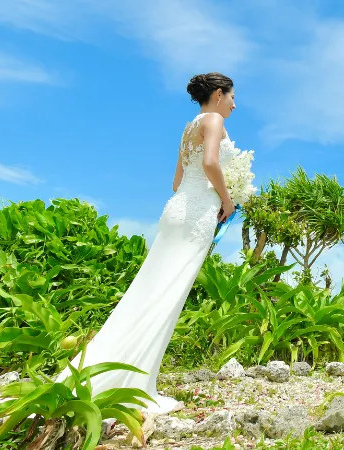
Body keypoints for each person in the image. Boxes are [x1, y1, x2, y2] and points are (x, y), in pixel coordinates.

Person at [53, 72, 239, 413]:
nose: (233, 104)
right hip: (195, 216)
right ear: (217, 95)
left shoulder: (188, 127)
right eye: (230, 97)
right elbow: (211, 163)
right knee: (168, 294)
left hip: (177, 210)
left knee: (150, 289)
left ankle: (122, 375)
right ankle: (133, 382)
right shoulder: (213, 119)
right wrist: (227, 200)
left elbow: (176, 181)